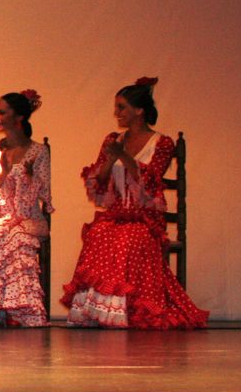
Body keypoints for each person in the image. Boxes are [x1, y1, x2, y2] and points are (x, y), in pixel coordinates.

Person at [61, 77, 208, 329]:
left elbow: (151, 181)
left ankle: (127, 310)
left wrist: (124, 156)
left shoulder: (161, 143)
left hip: (145, 216)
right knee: (98, 234)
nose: (116, 113)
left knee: (129, 239)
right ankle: (99, 311)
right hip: (118, 213)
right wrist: (110, 159)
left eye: (122, 107)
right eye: (116, 108)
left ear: (139, 110)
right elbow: (100, 182)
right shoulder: (113, 139)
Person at [0, 90, 52, 327]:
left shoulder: (38, 152)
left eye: (1, 112)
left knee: (17, 237)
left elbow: (42, 195)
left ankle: (19, 309)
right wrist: (4, 173)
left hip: (27, 216)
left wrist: (29, 177)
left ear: (19, 117)